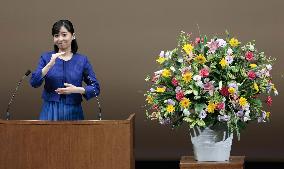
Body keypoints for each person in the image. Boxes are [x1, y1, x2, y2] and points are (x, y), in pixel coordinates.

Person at [30, 20, 100, 120]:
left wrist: (77, 90)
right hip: (50, 110)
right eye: (56, 35)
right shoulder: (46, 58)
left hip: (74, 110)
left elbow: (95, 88)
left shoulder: (82, 60)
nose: (60, 39)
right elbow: (34, 82)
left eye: (64, 34)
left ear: (73, 36)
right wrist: (49, 65)